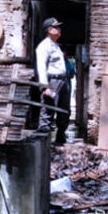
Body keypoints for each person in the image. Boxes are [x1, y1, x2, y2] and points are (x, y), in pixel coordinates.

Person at [36, 17, 70, 145]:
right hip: (52, 81)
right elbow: (41, 67)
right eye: (56, 27)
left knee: (64, 111)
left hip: (62, 81)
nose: (59, 29)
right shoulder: (44, 46)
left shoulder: (56, 46)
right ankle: (42, 144)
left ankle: (60, 140)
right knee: (48, 111)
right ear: (49, 30)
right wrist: (45, 87)